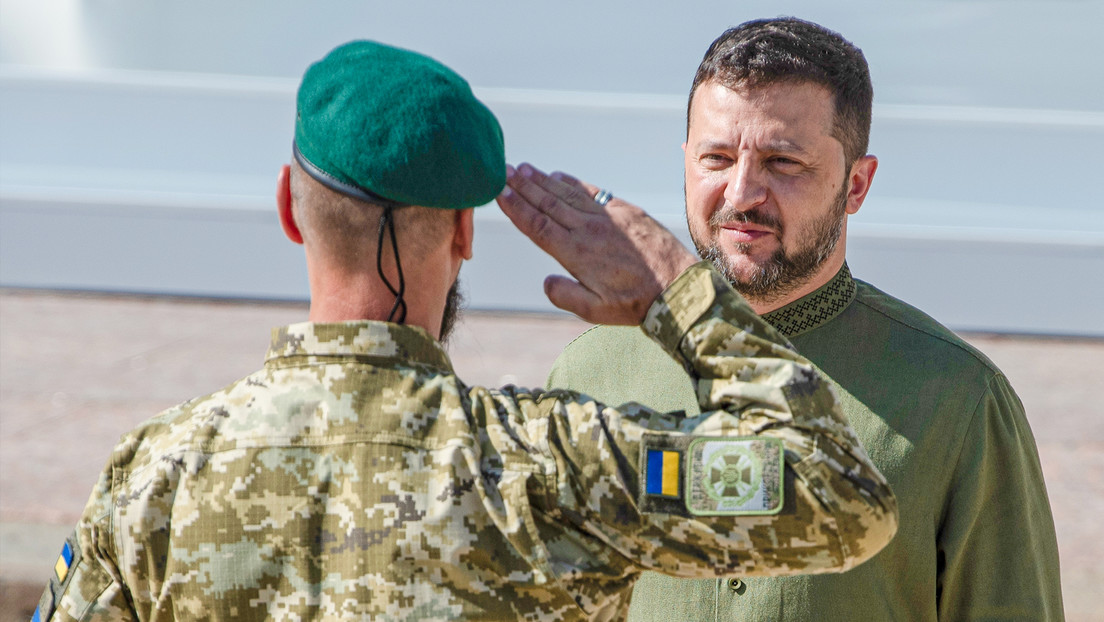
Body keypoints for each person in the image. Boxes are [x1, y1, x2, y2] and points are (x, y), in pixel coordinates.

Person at [33, 40, 898, 622]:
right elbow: (842, 497)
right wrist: (678, 295)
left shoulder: (157, 474)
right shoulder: (556, 466)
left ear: (290, 214)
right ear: (462, 233)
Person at [547, 17, 1063, 621]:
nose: (741, 194)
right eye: (717, 157)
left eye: (783, 162)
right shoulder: (591, 374)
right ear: (685, 161)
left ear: (856, 184)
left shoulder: (956, 400)